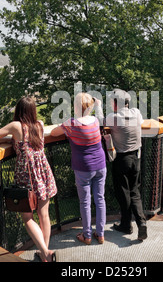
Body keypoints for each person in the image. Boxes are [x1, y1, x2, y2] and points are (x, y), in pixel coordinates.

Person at [0, 96, 57, 262]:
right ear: (33, 111)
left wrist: (8, 139)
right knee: (44, 215)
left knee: (28, 217)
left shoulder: (16, 126)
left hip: (27, 176)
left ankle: (45, 253)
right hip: (44, 173)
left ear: (19, 111)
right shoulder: (40, 124)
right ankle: (45, 253)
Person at [51, 93, 107, 245]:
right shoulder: (95, 121)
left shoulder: (71, 123)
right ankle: (100, 234)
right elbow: (101, 119)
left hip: (83, 168)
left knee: (85, 202)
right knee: (100, 199)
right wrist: (98, 106)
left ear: (75, 106)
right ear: (90, 107)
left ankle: (87, 236)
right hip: (101, 164)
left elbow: (53, 133)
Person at [96, 89, 148, 241]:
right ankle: (141, 222)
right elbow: (142, 123)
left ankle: (126, 225)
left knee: (123, 193)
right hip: (136, 158)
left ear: (115, 103)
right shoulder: (137, 113)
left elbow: (100, 121)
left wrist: (98, 105)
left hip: (122, 160)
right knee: (134, 192)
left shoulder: (113, 117)